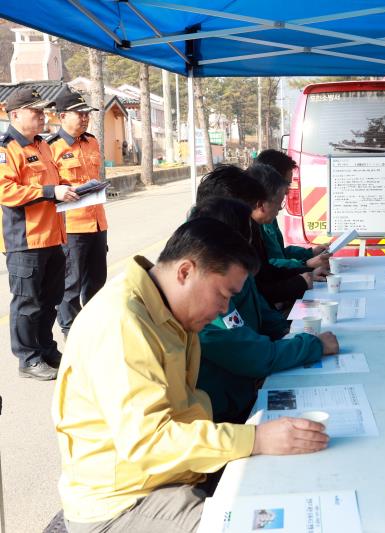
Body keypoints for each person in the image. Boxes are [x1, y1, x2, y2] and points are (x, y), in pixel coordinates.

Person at [53, 218, 329, 532]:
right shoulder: (122, 322)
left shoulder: (166, 309)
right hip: (125, 501)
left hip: (171, 475)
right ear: (186, 272)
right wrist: (256, 439)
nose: (225, 309)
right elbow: (149, 442)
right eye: (223, 294)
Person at [191, 196, 339, 423]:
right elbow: (249, 353)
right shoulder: (203, 298)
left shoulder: (229, 274)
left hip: (243, 392)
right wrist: (310, 345)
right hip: (223, 415)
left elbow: (261, 310)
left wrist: (289, 332)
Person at [0, 86, 78, 380]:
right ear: (16, 114)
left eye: (43, 110)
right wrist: (50, 191)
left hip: (52, 235)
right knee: (27, 301)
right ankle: (27, 359)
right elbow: (6, 190)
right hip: (25, 239)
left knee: (50, 298)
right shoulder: (6, 148)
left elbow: (53, 183)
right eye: (36, 111)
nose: (43, 116)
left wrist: (69, 190)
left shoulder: (42, 145)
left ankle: (45, 348)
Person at [196, 165, 318, 306]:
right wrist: (301, 275)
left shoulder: (247, 228)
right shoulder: (211, 265)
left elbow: (258, 284)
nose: (280, 207)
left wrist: (306, 272)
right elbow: (257, 293)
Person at [48, 90, 108, 338]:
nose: (85, 119)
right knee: (70, 284)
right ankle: (71, 330)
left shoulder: (91, 141)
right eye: (79, 114)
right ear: (62, 116)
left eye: (87, 114)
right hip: (72, 226)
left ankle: (92, 324)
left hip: (97, 222)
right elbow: (51, 189)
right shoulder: (51, 147)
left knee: (97, 280)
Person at [254, 149, 329, 270]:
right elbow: (265, 268)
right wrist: (305, 265)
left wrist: (310, 253)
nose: (288, 191)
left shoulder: (269, 216)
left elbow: (280, 253)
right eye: (286, 184)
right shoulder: (254, 221)